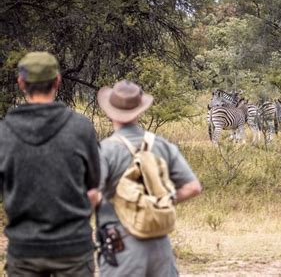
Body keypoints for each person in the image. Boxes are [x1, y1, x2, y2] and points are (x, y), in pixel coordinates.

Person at [0, 51, 101, 276]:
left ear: (21, 83)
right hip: (74, 248)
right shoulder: (81, 128)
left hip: (25, 250)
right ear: (57, 81)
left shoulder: (4, 133)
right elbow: (94, 186)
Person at [96, 79, 202, 277]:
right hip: (160, 246)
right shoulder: (162, 145)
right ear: (140, 111)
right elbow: (193, 187)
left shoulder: (106, 150)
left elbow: (92, 194)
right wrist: (159, 203)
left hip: (121, 246)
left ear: (109, 112)